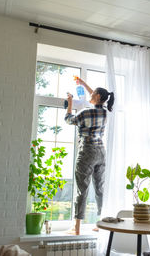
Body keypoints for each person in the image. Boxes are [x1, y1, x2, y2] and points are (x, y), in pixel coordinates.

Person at [65, 77, 115, 235]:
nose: (90, 94)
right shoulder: (105, 112)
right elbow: (97, 95)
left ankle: (77, 228)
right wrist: (83, 83)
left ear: (98, 97)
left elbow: (69, 120)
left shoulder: (85, 112)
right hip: (101, 152)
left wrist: (70, 104)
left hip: (87, 151)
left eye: (93, 93)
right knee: (99, 189)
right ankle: (100, 225)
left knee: (82, 189)